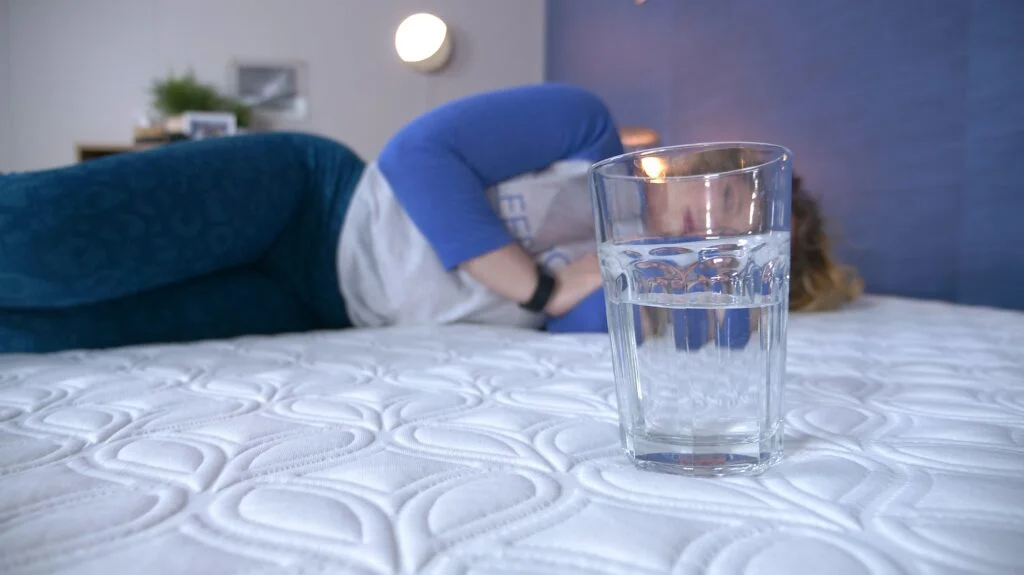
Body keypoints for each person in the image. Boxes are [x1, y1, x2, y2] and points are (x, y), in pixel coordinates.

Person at [0, 83, 858, 353]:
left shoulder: (626, 286)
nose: (699, 220)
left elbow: (697, 335)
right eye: (720, 192)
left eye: (722, 233)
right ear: (702, 162)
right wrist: (537, 286)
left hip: (322, 310)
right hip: (308, 204)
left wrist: (707, 283)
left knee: (53, 332)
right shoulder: (583, 128)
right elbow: (417, 158)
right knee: (36, 247)